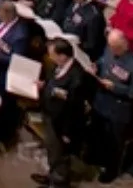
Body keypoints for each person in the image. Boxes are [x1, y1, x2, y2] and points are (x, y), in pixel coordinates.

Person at [32, 39, 93, 188]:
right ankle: (52, 176)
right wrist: (45, 85)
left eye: (52, 54)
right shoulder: (59, 66)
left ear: (63, 56)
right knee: (52, 150)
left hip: (62, 124)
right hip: (51, 116)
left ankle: (59, 182)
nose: (49, 57)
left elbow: (74, 108)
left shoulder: (76, 78)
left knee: (60, 154)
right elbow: (54, 85)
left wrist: (67, 132)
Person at [90, 29, 133, 183]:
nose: (112, 50)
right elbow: (102, 61)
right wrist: (96, 66)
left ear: (124, 45)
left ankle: (112, 170)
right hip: (101, 101)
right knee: (99, 134)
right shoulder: (109, 49)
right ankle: (97, 159)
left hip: (118, 109)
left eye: (115, 48)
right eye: (110, 46)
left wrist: (115, 87)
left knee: (114, 142)